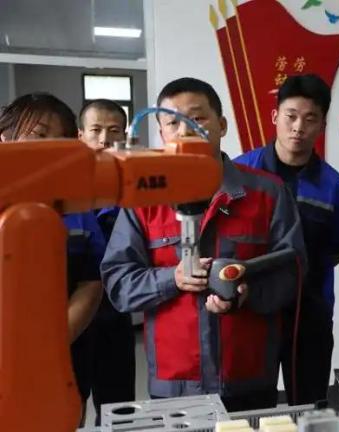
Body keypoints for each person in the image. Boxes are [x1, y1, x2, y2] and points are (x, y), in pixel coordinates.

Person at [100, 77, 306, 411]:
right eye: (172, 123)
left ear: (221, 125)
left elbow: (293, 271)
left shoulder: (267, 193)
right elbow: (118, 281)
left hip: (248, 376)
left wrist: (247, 294)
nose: (185, 131)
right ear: (161, 133)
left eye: (197, 118)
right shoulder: (143, 200)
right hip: (175, 382)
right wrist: (172, 279)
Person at [235, 74, 339, 405]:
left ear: (322, 125)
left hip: (310, 311)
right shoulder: (240, 173)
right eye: (290, 116)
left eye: (310, 119)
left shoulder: (332, 185)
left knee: (309, 404)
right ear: (275, 116)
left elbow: (338, 249)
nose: (298, 128)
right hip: (249, 308)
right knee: (247, 404)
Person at [0, 93, 105, 424]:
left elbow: (91, 282)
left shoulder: (76, 208)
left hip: (64, 357)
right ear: (5, 138)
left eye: (59, 141)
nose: (48, 148)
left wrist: (52, 342)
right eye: (38, 135)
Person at [78, 99, 135, 424]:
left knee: (118, 411)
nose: (104, 139)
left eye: (113, 131)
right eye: (96, 130)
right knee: (68, 406)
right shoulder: (63, 190)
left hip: (115, 318)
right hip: (70, 319)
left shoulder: (134, 189)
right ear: (80, 135)